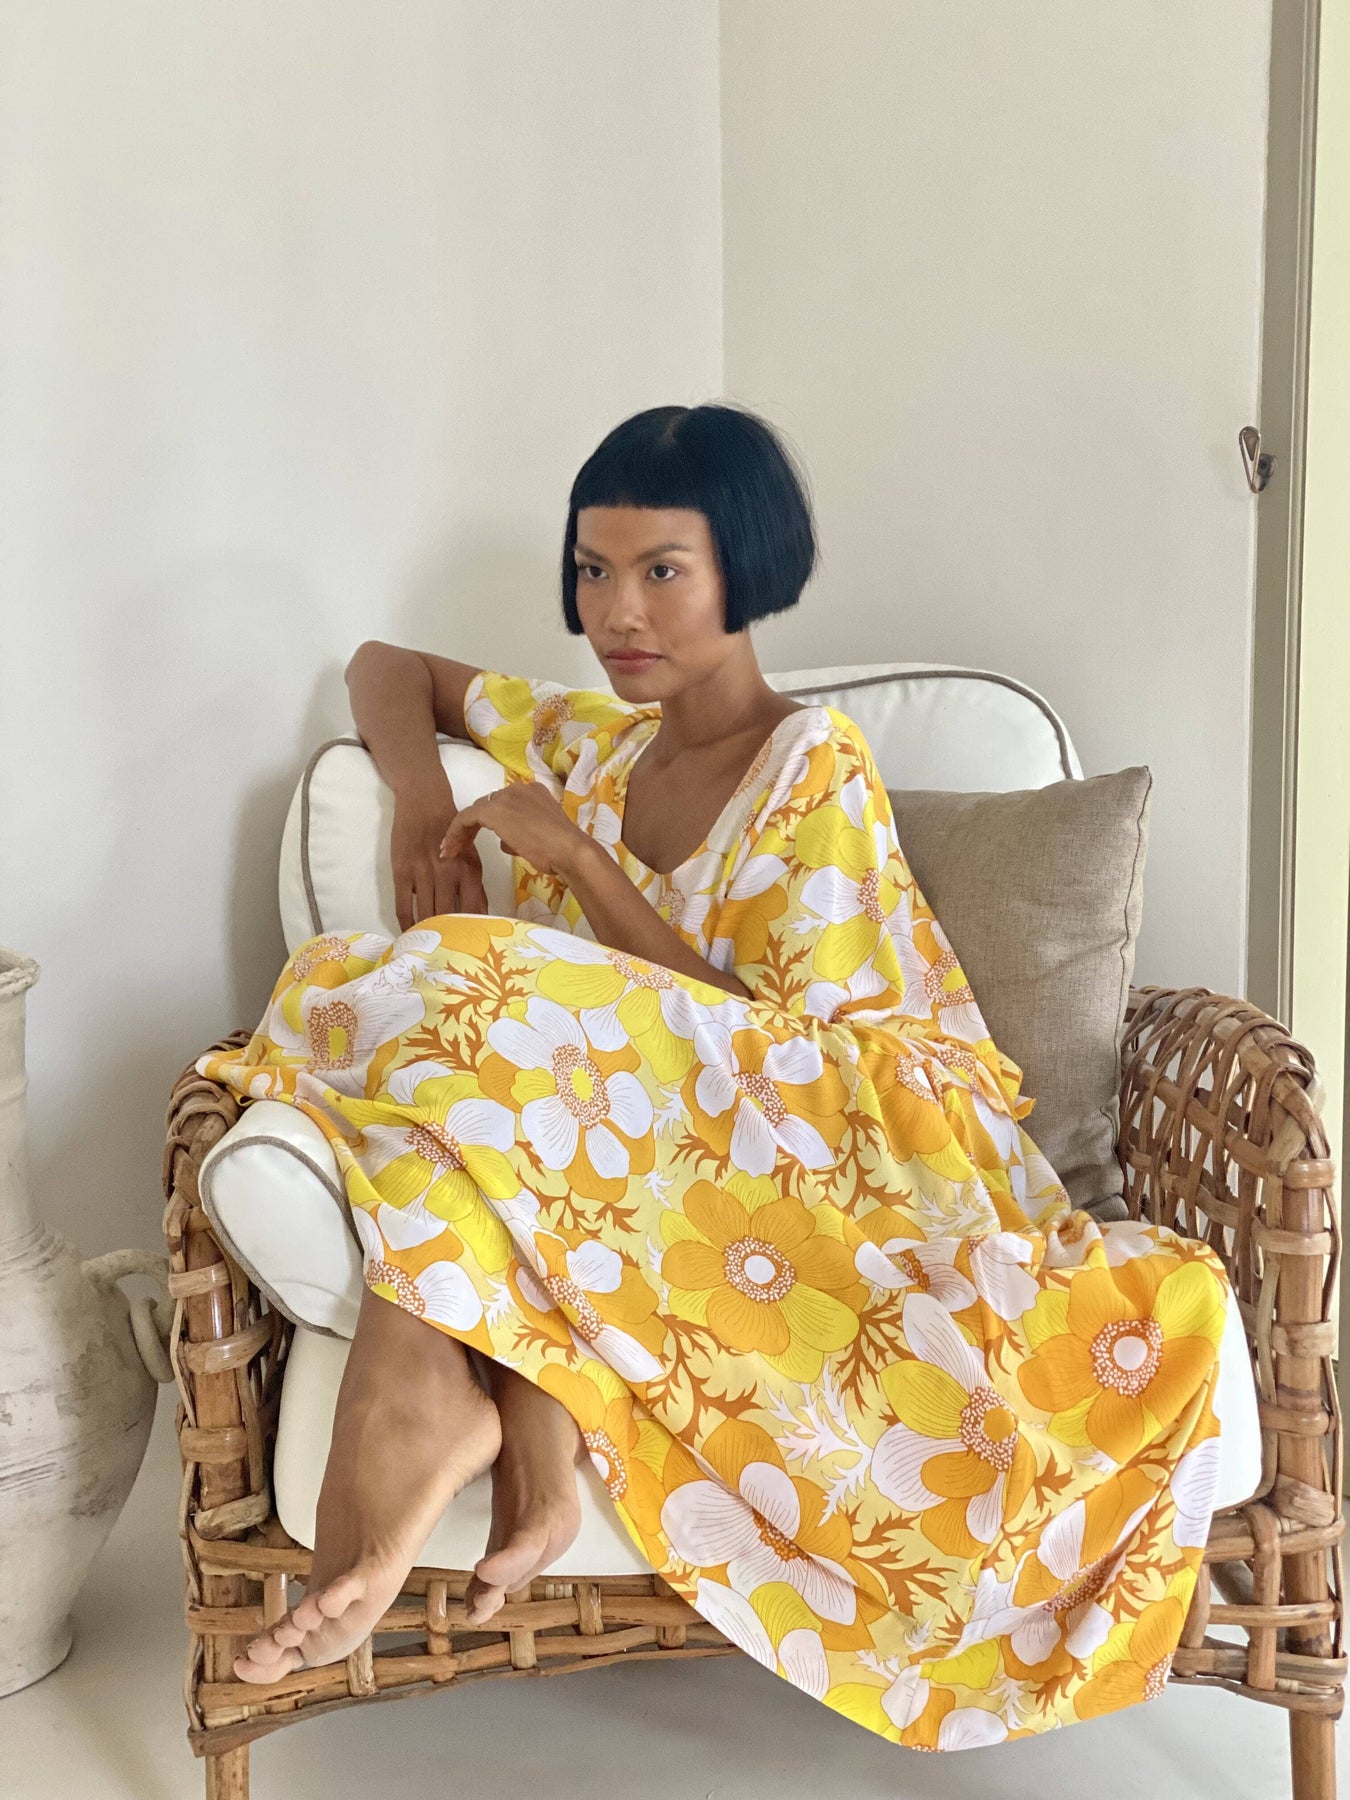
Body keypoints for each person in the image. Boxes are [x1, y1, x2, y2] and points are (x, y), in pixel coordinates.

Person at [200, 402, 1227, 1747]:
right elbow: (387, 669)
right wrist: (420, 803)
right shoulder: (598, 742)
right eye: (592, 569)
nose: (616, 611)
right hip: (646, 1148)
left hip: (850, 1143)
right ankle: (494, 1422)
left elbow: (779, 1049)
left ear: (746, 568)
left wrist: (579, 866)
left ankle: (452, 1396)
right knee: (398, 1018)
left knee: (457, 978)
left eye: (661, 570)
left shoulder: (813, 765)